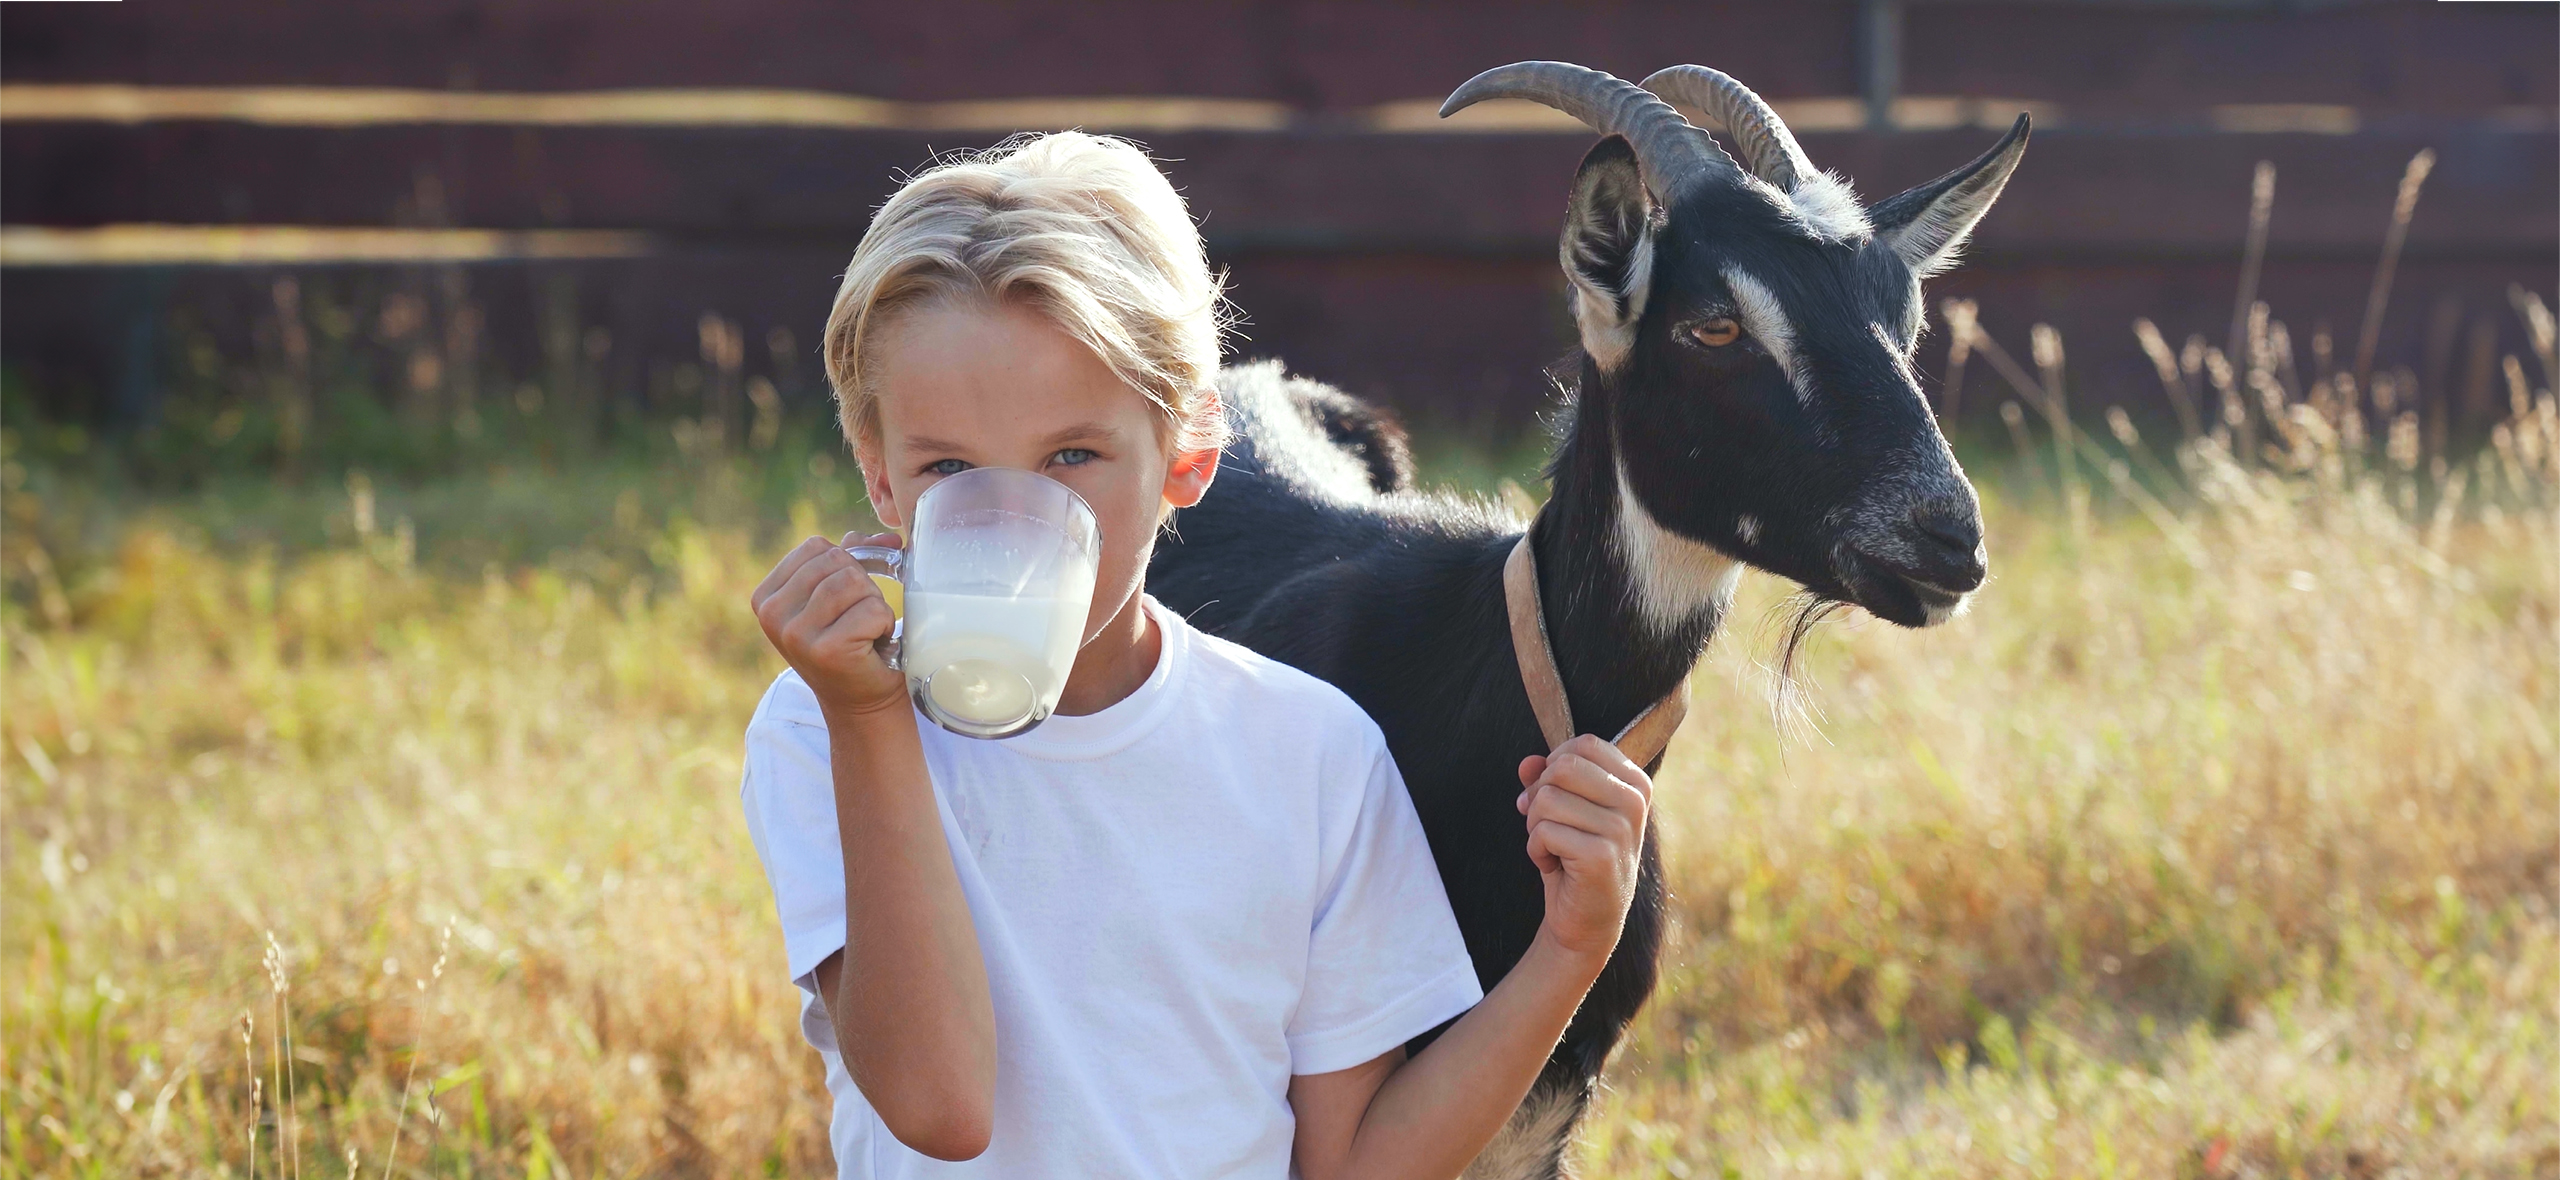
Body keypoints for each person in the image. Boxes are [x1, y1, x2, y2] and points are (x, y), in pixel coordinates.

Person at [740, 131, 1656, 1178]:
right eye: (950, 468)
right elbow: (940, 1108)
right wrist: (871, 720)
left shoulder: (1309, 751)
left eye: (1071, 455)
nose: (1013, 515)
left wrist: (1569, 950)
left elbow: (1353, 1165)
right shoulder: (823, 726)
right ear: (880, 478)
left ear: (1189, 453)